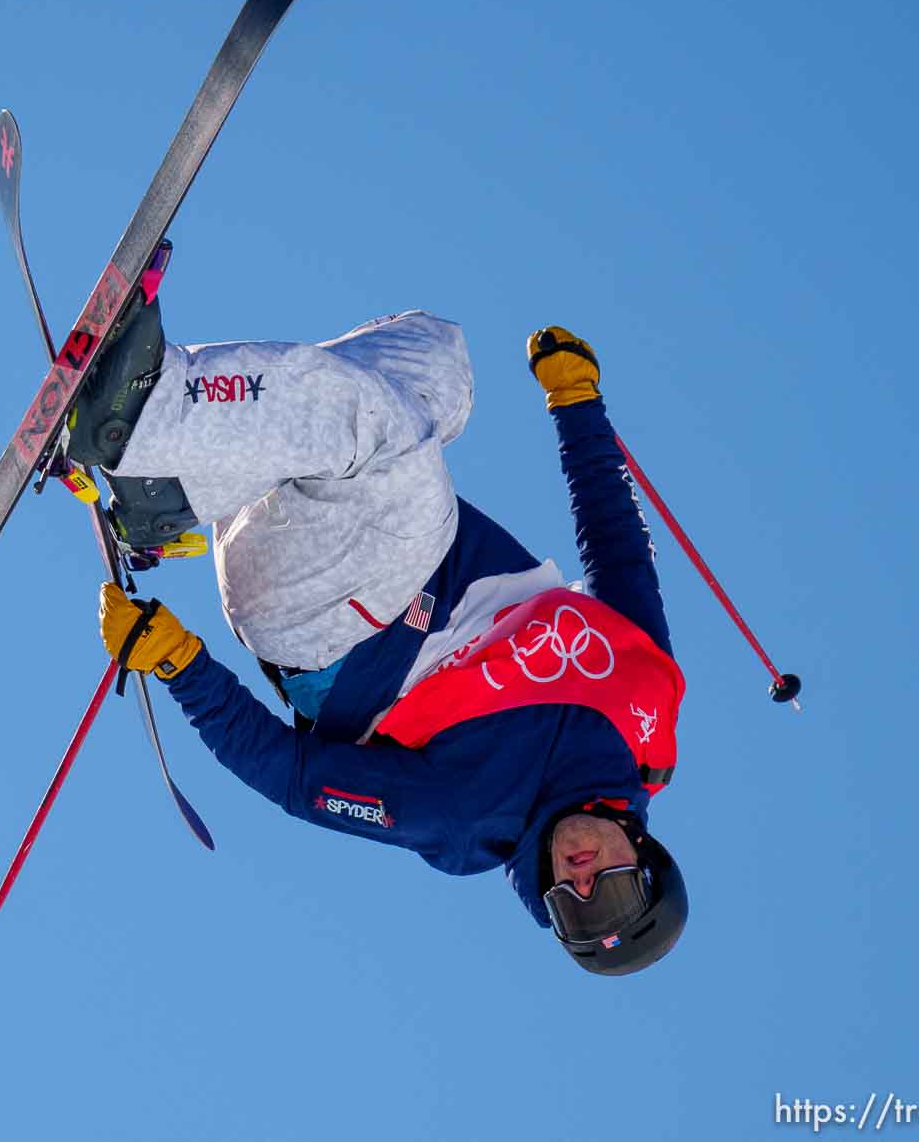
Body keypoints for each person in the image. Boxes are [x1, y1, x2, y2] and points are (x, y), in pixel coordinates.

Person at [67, 290, 689, 975]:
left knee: (392, 439)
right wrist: (577, 405)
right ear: (646, 857)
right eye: (615, 891)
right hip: (371, 527)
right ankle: (175, 483)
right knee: (435, 360)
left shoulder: (468, 817)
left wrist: (183, 667)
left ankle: (142, 426)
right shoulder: (647, 709)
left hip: (331, 619)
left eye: (574, 910)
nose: (583, 881)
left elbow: (296, 780)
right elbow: (617, 546)